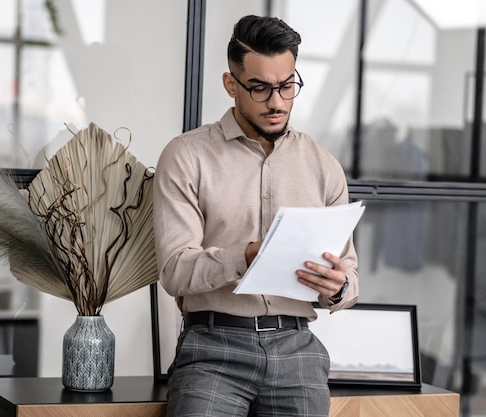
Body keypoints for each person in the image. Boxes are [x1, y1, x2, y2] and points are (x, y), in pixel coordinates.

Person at [153, 14, 358, 417]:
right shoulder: (187, 156)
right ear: (232, 85)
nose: (277, 102)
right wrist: (248, 254)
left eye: (286, 86)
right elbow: (175, 271)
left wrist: (336, 286)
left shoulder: (323, 165)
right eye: (261, 89)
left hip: (297, 350)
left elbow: (349, 277)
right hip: (213, 350)